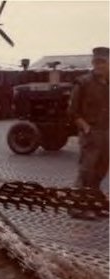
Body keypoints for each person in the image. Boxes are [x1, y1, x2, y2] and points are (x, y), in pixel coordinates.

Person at [68, 46, 109, 219]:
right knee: (87, 171)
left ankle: (93, 203)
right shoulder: (83, 83)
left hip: (106, 133)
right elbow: (72, 111)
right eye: (96, 62)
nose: (99, 65)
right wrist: (85, 127)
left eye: (103, 62)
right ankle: (76, 207)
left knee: (101, 170)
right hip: (91, 132)